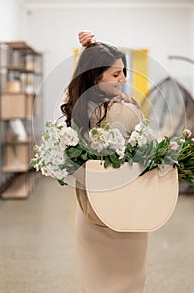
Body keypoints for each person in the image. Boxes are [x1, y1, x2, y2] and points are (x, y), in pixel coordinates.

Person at [61, 31, 149, 293]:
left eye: (124, 73)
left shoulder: (75, 111)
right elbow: (148, 153)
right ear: (94, 76)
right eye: (115, 74)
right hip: (128, 212)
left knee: (96, 284)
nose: (123, 80)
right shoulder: (126, 111)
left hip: (91, 211)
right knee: (130, 283)